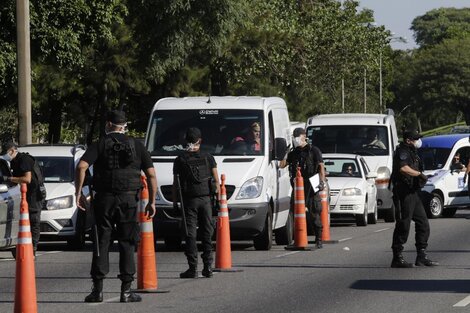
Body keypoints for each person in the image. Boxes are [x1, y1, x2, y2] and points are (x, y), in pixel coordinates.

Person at [75, 110, 157, 303]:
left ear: (109, 125)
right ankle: (126, 291)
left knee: (101, 241)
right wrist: (152, 201)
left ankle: (98, 290)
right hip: (128, 200)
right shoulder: (137, 145)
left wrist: (78, 193)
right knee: (127, 243)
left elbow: (81, 166)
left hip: (104, 200)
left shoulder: (100, 144)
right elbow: (151, 175)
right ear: (124, 125)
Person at [173, 127, 220, 278]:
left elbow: (176, 184)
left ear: (186, 140)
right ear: (200, 140)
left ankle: (192, 268)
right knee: (207, 232)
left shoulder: (180, 159)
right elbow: (216, 181)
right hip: (206, 200)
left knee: (190, 234)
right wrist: (217, 200)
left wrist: (175, 202)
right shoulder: (208, 157)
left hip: (189, 201)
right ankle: (208, 267)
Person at [390, 129, 438, 268]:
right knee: (403, 224)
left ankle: (421, 255)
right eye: (415, 139)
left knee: (423, 223)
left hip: (413, 192)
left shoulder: (412, 152)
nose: (418, 141)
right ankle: (397, 257)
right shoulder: (402, 151)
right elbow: (403, 168)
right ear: (408, 140)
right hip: (403, 193)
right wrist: (418, 174)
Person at [280, 127, 326, 248]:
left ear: (303, 136)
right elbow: (282, 165)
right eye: (294, 137)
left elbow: (321, 166)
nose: (296, 140)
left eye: (297, 137)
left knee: (314, 212)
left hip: (312, 183)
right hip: (298, 186)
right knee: (296, 213)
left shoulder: (314, 150)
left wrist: (321, 181)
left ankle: (318, 240)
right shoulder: (293, 153)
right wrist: (285, 152)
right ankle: (298, 239)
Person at [1, 141, 45, 257]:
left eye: (6, 152)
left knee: (33, 220)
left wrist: (9, 179)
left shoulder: (24, 159)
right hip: (23, 194)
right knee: (22, 222)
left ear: (12, 151)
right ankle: (21, 247)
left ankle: (33, 249)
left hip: (35, 194)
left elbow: (27, 179)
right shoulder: (14, 162)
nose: (6, 156)